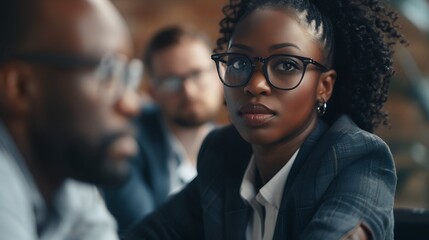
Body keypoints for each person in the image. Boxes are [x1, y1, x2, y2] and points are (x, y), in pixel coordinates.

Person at [126, 0, 406, 239]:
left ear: (325, 87)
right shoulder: (223, 152)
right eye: (239, 63)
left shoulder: (356, 158)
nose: (255, 84)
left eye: (286, 64)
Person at [0, 0, 143, 239]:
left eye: (128, 76)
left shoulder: (67, 175)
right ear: (21, 87)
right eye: (107, 72)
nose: (131, 104)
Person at [102, 26, 223, 233]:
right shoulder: (128, 143)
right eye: (171, 81)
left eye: (197, 74)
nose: (189, 91)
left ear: (221, 73)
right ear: (153, 92)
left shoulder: (234, 145)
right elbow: (143, 232)